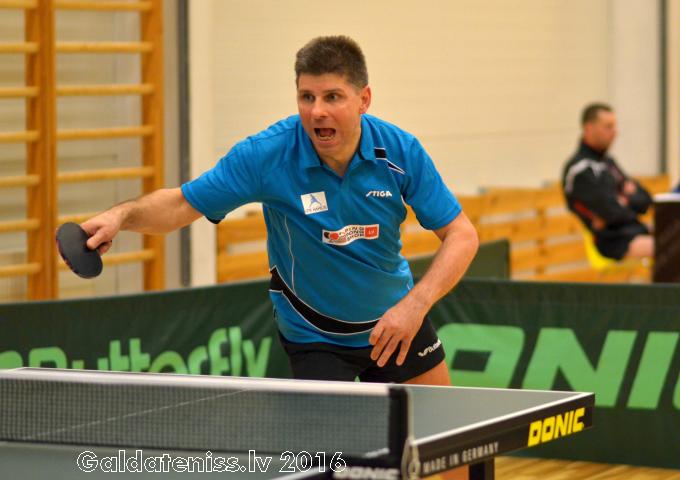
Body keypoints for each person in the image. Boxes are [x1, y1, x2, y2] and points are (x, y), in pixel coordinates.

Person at [82, 36, 479, 386]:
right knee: (331, 448)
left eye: (332, 97)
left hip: (396, 323)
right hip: (316, 336)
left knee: (445, 442)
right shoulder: (267, 156)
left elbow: (462, 235)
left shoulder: (400, 152)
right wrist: (122, 216)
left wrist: (415, 305)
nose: (317, 111)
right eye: (307, 97)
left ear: (364, 100)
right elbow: (182, 204)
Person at [561, 103, 653, 260]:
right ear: (589, 128)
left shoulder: (608, 162)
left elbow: (645, 200)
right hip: (612, 242)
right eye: (608, 127)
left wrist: (625, 200)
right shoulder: (580, 170)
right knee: (673, 248)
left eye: (614, 126)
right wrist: (628, 197)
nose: (615, 132)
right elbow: (613, 213)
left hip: (636, 230)